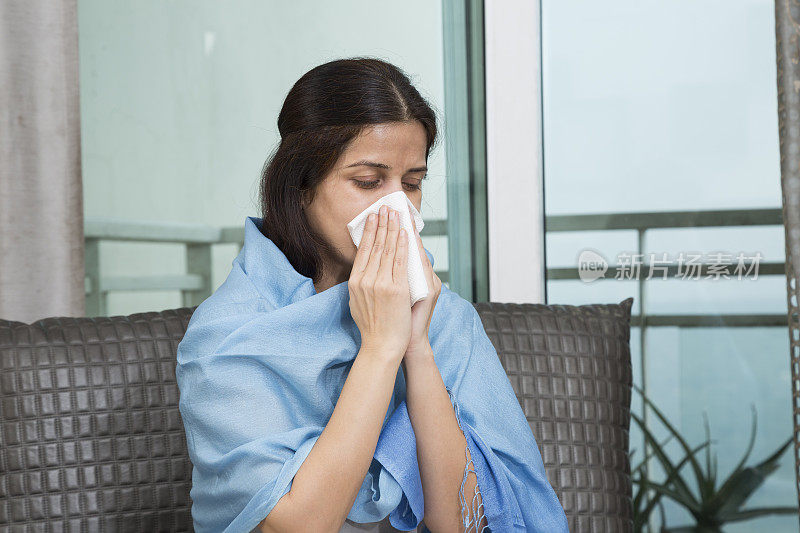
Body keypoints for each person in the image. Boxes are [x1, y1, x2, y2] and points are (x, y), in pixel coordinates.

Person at [176, 57, 570, 533]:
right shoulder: (228, 334)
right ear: (300, 185)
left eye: (412, 184)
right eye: (368, 182)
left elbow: (468, 525)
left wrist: (415, 348)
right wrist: (381, 350)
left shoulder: (446, 319)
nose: (396, 208)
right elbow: (298, 527)